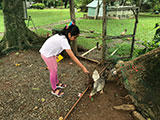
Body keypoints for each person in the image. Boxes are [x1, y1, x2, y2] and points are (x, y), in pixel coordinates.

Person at [39, 21, 89, 97]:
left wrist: (56, 54)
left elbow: (55, 46)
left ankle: (57, 83)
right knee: (53, 71)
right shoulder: (63, 40)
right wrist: (83, 67)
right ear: (69, 34)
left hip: (51, 53)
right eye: (74, 37)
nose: (74, 39)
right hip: (47, 54)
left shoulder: (62, 36)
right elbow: (72, 56)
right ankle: (54, 89)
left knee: (55, 68)